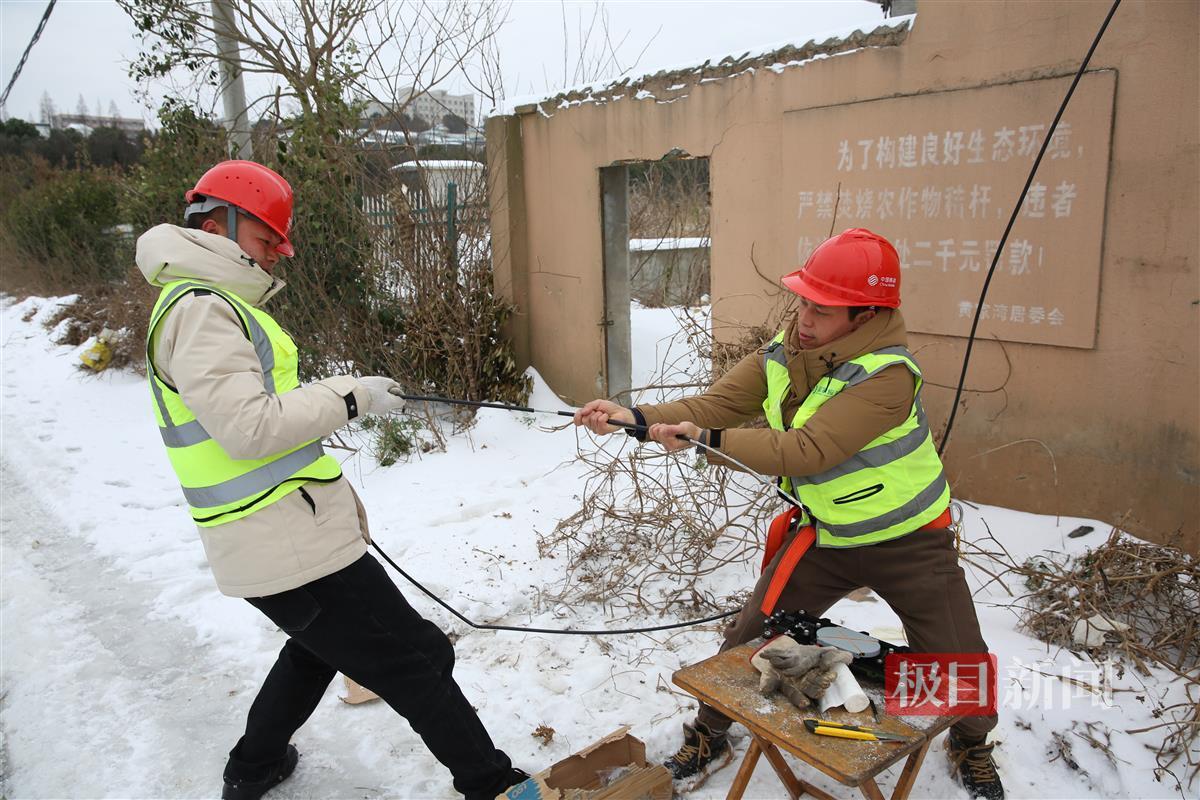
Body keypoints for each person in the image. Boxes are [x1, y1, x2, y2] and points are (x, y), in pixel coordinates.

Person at [136, 160, 527, 800]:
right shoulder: (203, 310)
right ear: (218, 225)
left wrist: (351, 400)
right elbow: (248, 428)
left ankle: (255, 765)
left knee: (320, 647)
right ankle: (495, 785)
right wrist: (350, 396)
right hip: (282, 539)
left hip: (287, 531)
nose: (273, 259)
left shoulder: (209, 303)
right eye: (266, 243)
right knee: (417, 658)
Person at [574, 228, 1004, 800]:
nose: (803, 316)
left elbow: (808, 449)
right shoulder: (785, 355)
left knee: (960, 663)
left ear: (866, 313)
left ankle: (971, 744)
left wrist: (705, 438)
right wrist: (634, 416)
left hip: (911, 542)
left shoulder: (888, 377)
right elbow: (715, 405)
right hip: (826, 536)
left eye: (821, 308)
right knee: (748, 637)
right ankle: (710, 734)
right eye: (803, 299)